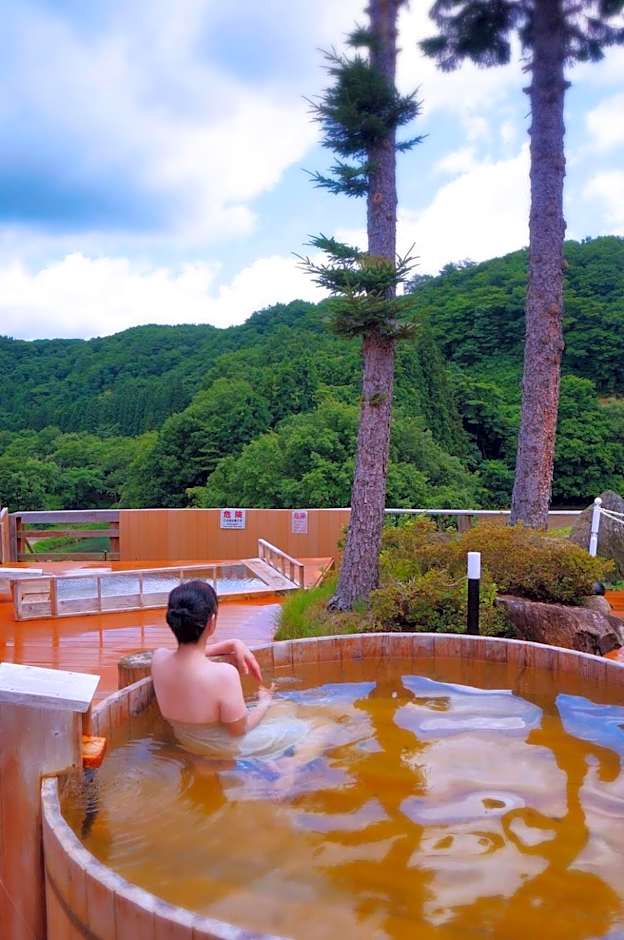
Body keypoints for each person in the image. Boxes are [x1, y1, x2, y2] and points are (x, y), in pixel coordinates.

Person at [152, 580, 308, 760]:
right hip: (227, 748)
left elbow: (189, 654)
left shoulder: (158, 659)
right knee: (314, 725)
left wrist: (233, 644)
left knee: (286, 709)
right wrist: (264, 702)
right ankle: (289, 770)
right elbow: (240, 730)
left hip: (188, 742)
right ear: (211, 622)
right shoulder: (223, 675)